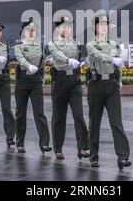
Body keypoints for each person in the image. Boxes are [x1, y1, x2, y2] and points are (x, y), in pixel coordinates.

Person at [86, 14, 131, 170]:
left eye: (106, 24)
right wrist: (112, 60)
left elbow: (119, 65)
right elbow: (97, 55)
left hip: (111, 84)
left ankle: (123, 156)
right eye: (101, 24)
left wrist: (120, 81)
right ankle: (93, 156)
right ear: (95, 27)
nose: (104, 27)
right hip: (96, 84)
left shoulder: (113, 44)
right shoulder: (90, 44)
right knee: (94, 123)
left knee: (116, 122)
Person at [48, 16, 89, 160]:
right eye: (63, 26)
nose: (66, 29)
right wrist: (67, 60)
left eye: (69, 26)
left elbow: (78, 58)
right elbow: (57, 55)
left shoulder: (76, 43)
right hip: (60, 80)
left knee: (78, 115)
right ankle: (58, 148)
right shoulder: (52, 43)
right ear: (58, 28)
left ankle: (82, 147)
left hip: (74, 81)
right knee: (59, 116)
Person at [14, 18, 51, 154]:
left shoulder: (40, 46)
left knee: (39, 113)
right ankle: (20, 142)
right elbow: (20, 58)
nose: (31, 32)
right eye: (29, 30)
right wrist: (29, 66)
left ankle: (44, 143)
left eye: (33, 30)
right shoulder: (18, 45)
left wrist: (42, 76)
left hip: (35, 81)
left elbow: (43, 62)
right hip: (23, 79)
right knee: (21, 112)